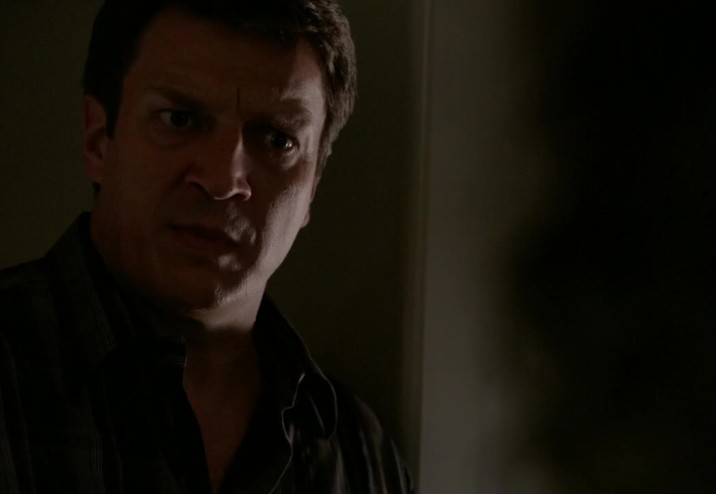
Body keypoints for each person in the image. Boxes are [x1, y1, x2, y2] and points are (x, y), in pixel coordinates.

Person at [0, 0, 412, 492]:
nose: (223, 181)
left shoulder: (361, 455)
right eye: (180, 119)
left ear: (312, 190)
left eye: (278, 140)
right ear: (97, 141)